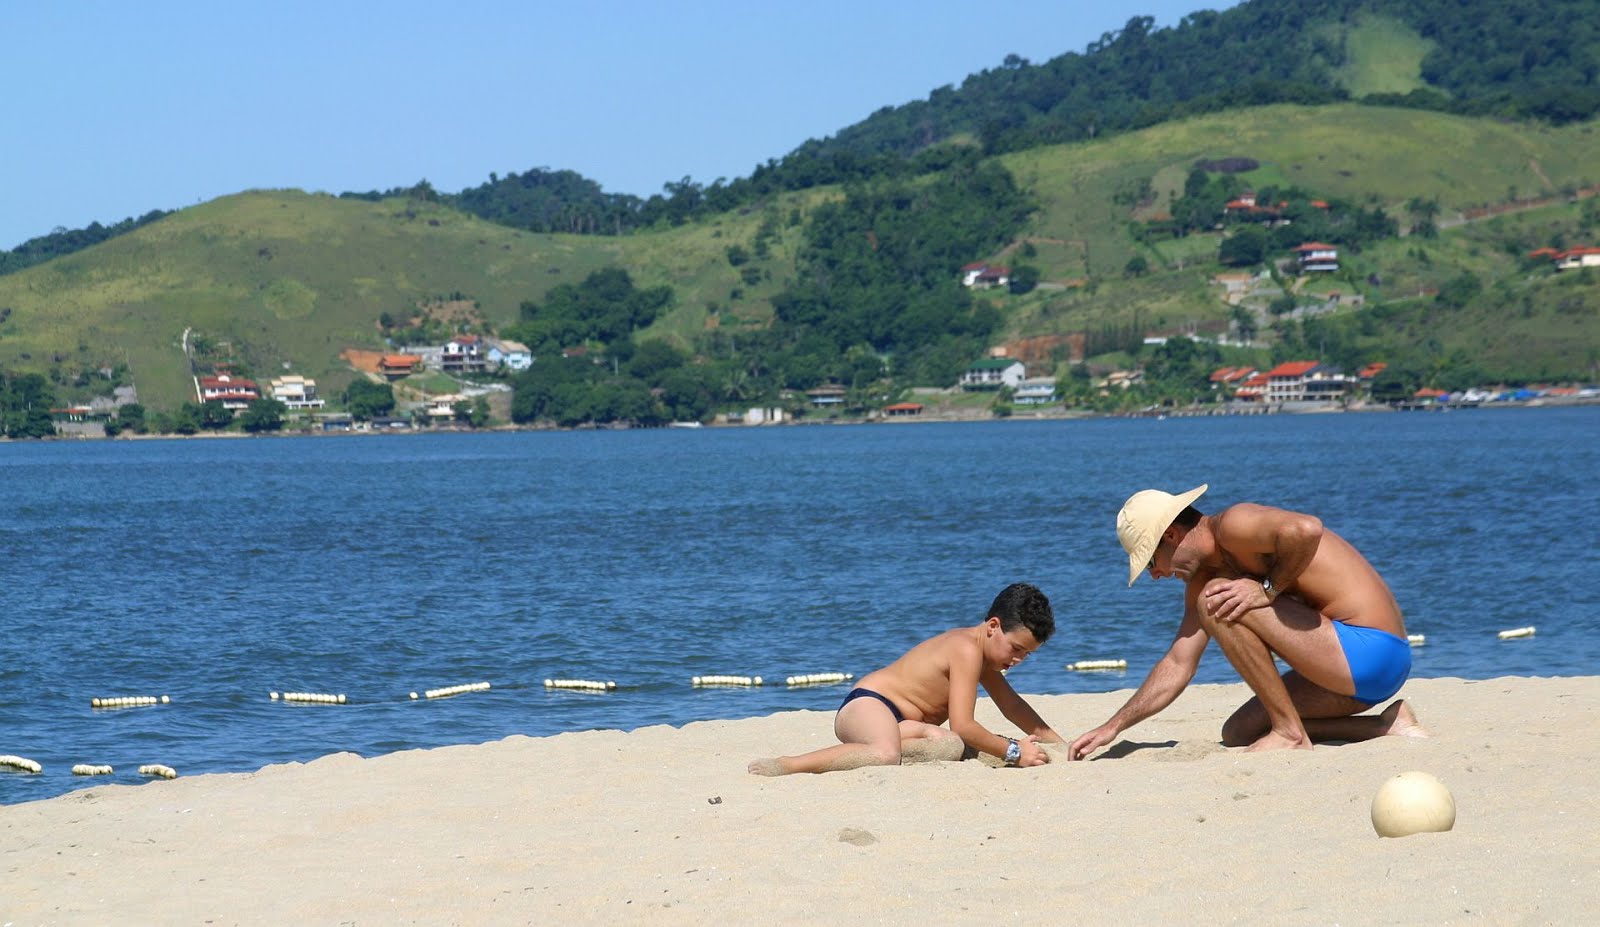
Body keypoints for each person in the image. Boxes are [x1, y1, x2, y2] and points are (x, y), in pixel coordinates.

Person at [1069, 484, 1427, 758]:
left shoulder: (1232, 526)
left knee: (1216, 598)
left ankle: (1290, 733)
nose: (1156, 575)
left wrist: (1267, 589)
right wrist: (1113, 727)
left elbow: (1306, 528)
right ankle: (1384, 726)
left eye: (1150, 561)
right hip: (1342, 671)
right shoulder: (1203, 579)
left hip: (1373, 651)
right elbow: (1178, 663)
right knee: (1240, 731)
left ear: (1172, 535)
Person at [749, 583, 1065, 775]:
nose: (1018, 659)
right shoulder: (966, 649)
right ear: (993, 626)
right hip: (870, 704)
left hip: (906, 725)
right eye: (1017, 648)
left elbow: (1011, 705)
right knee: (886, 754)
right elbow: (964, 724)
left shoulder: (985, 658)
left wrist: (1061, 744)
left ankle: (892, 747)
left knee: (950, 745)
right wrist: (1013, 751)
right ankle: (790, 765)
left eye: (1027, 654)